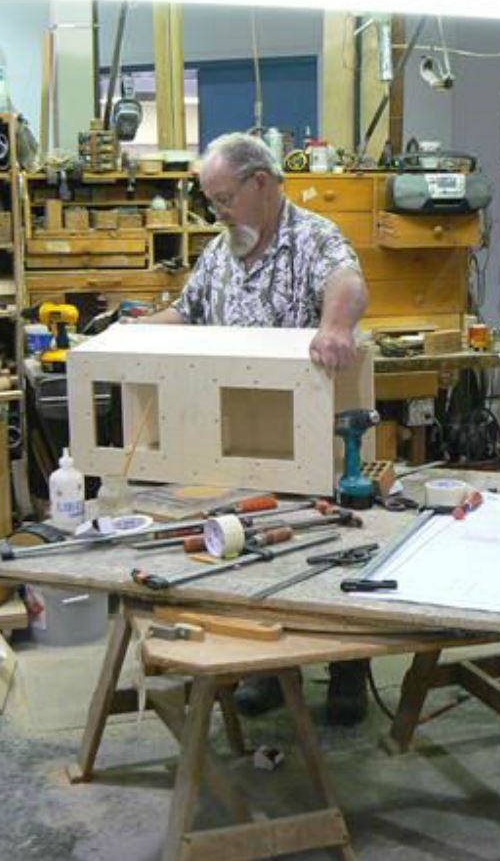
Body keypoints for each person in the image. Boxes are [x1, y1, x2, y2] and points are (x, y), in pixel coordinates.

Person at [141, 131, 371, 724]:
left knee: (331, 547)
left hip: (307, 426)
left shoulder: (311, 236)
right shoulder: (220, 252)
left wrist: (336, 328)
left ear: (260, 184)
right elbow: (186, 312)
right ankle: (271, 669)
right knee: (257, 548)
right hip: (237, 433)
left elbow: (348, 282)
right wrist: (137, 332)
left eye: (223, 198)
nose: (217, 211)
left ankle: (350, 669)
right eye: (211, 200)